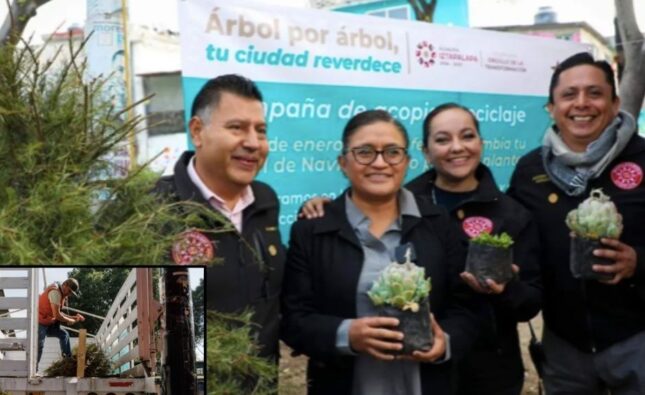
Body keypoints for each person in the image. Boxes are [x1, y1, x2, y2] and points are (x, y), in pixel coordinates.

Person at [301, 104, 542, 394]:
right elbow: (297, 316)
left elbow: (498, 304)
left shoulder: (502, 214)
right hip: (352, 380)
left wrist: (503, 291)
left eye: (467, 136)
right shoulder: (322, 227)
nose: (456, 148)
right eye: (442, 139)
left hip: (482, 370)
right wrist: (346, 334)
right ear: (426, 152)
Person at [281, 109, 481, 395]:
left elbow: (467, 309)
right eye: (364, 152)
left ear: (407, 161)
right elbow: (294, 319)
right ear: (343, 163)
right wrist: (346, 335)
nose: (379, 163)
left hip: (428, 384)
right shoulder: (312, 231)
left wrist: (444, 343)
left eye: (392, 152)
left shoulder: (438, 224)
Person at [507, 52, 645, 394]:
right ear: (551, 108)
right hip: (564, 346)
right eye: (569, 95)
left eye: (594, 93)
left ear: (615, 104)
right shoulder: (530, 172)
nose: (581, 104)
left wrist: (639, 261)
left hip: (637, 337)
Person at [153, 74, 285, 364]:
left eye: (261, 131)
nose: (253, 143)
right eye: (237, 128)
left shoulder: (265, 200)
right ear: (198, 132)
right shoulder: (147, 208)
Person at [37, 278, 85, 371]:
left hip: (49, 321)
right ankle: (34, 370)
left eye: (71, 293)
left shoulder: (62, 294)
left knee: (64, 335)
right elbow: (57, 315)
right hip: (40, 321)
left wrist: (74, 318)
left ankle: (68, 362)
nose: (69, 294)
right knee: (39, 345)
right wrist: (69, 320)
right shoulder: (55, 292)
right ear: (65, 285)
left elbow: (59, 313)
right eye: (69, 291)